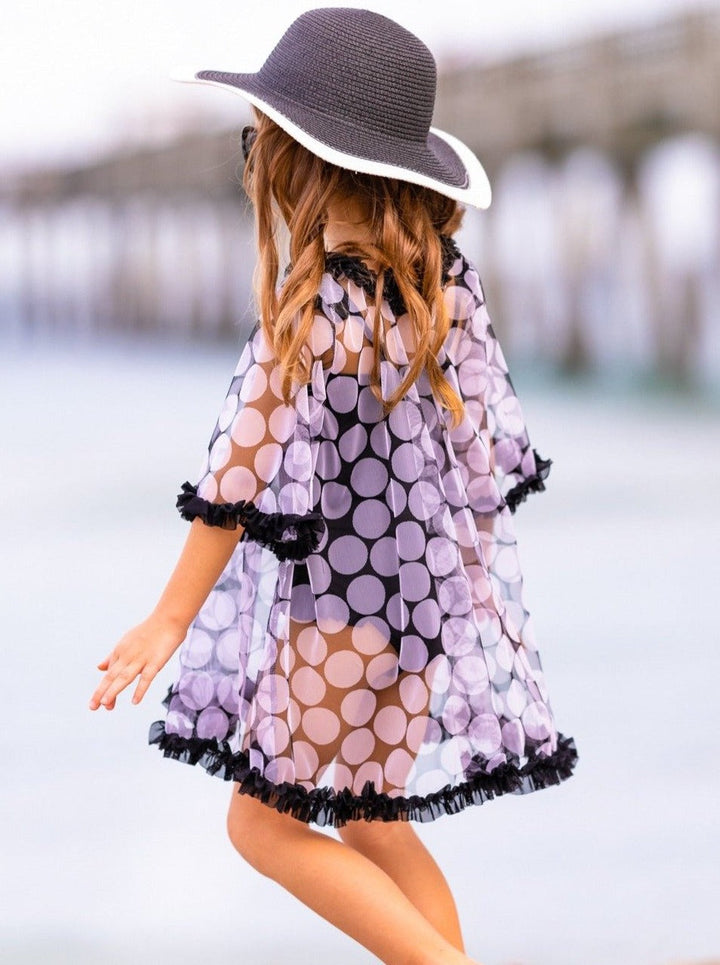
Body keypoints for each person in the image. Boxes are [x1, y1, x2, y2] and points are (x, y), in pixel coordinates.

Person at [88, 9, 578, 965]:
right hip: (425, 600)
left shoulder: (309, 313)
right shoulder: (445, 287)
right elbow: (481, 455)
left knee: (262, 826)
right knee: (373, 819)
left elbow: (235, 475)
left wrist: (168, 619)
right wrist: (463, 583)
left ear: (294, 162)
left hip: (344, 607)